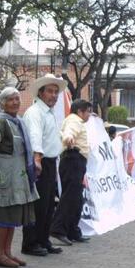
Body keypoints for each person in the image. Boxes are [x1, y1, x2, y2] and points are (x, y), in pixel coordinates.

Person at [0, 87, 39, 268]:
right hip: (4, 174)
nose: (15, 102)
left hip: (17, 174)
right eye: (11, 100)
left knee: (13, 215)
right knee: (4, 216)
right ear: (3, 103)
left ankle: (7, 252)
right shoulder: (1, 121)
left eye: (17, 99)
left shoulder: (18, 122)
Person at [21, 74, 66, 256]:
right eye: (50, 91)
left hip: (49, 161)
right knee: (38, 205)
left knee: (48, 205)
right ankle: (30, 243)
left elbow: (51, 138)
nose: (54, 95)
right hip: (40, 161)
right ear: (41, 93)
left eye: (56, 92)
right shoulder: (35, 112)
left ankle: (43, 239)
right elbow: (35, 137)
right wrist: (37, 160)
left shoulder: (48, 112)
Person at [50, 99, 93, 245]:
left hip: (76, 161)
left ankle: (72, 230)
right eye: (88, 111)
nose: (89, 115)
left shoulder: (75, 121)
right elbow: (69, 133)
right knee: (70, 197)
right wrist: (68, 138)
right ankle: (58, 229)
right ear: (80, 111)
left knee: (77, 199)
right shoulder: (74, 120)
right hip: (73, 159)